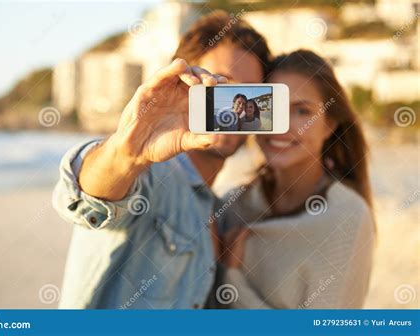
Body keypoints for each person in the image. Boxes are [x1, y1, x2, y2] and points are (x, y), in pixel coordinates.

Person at [52, 10, 271, 309]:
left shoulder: (216, 209)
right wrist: (127, 153)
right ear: (185, 81)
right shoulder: (149, 173)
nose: (235, 105)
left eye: (249, 93)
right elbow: (86, 197)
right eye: (220, 85)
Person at [219, 50, 375, 309]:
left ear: (329, 124)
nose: (281, 125)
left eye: (301, 111)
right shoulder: (232, 206)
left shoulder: (347, 217)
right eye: (270, 108)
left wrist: (232, 282)